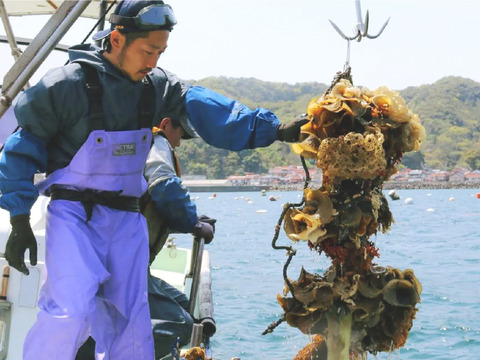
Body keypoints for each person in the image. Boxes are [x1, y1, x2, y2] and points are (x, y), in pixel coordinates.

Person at [0, 0, 307, 359]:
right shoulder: (65, 85)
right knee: (68, 314)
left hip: (127, 220)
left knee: (132, 324)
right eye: (148, 50)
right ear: (117, 39)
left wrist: (276, 130)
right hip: (74, 219)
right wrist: (19, 218)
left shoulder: (156, 87)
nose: (153, 62)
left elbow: (209, 108)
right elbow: (21, 148)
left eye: (160, 52)